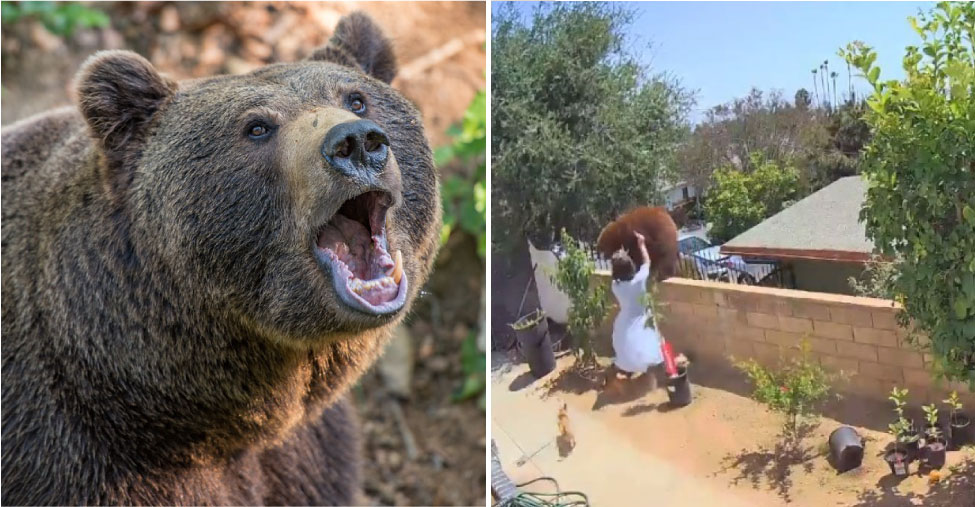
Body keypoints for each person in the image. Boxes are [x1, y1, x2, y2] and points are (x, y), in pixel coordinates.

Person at [604, 231, 665, 395]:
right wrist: (641, 244)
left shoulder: (615, 287)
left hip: (624, 321)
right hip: (642, 318)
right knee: (649, 346)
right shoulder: (639, 280)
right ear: (630, 266)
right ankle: (657, 377)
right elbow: (647, 261)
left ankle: (629, 373)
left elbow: (619, 272)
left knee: (630, 349)